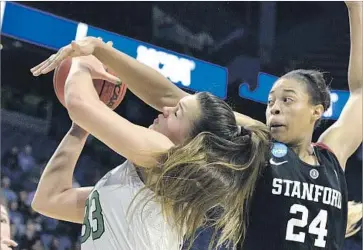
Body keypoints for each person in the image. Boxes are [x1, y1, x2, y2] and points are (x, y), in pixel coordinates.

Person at [31, 1, 361, 249]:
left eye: (287, 100)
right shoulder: (257, 151)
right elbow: (169, 97)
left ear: (318, 111)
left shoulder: (332, 157)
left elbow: (360, 92)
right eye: (271, 100)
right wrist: (102, 52)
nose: (273, 107)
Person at [31, 53, 270, 249]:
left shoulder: (166, 156)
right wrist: (79, 130)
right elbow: (50, 200)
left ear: (191, 142)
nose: (165, 109)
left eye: (177, 112)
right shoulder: (130, 184)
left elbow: (80, 104)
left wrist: (83, 63)